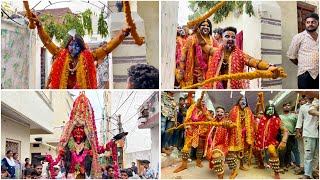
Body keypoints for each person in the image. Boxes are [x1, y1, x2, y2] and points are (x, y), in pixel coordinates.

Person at [28, 11, 133, 89]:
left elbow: (107, 48)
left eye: (77, 45)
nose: (73, 48)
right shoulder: (59, 53)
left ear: (81, 46)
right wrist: (39, 25)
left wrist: (123, 34)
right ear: (67, 45)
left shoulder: (89, 56)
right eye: (71, 45)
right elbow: (47, 42)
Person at [196, 26, 281, 89]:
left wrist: (268, 67)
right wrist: (197, 32)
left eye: (233, 37)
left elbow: (255, 62)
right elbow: (203, 44)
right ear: (222, 38)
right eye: (227, 36)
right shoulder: (216, 51)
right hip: (215, 87)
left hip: (234, 89)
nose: (230, 39)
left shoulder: (241, 55)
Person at [176, 19, 219, 87]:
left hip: (208, 73)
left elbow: (217, 58)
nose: (206, 27)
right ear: (198, 27)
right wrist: (181, 71)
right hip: (192, 72)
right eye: (203, 25)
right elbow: (183, 55)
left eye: (208, 26)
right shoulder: (191, 39)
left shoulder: (214, 42)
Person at [254, 103, 288, 179]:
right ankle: (261, 165)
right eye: (269, 109)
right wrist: (258, 105)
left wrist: (284, 141)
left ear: (274, 110)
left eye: (272, 109)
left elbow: (285, 130)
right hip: (260, 140)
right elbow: (256, 114)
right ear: (266, 111)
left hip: (270, 141)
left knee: (272, 151)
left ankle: (276, 172)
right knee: (256, 151)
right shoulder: (262, 117)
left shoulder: (277, 120)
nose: (270, 111)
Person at [287, 12, 319, 89]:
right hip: (305, 75)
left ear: (318, 23)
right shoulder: (298, 37)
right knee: (306, 93)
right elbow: (291, 55)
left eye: (313, 22)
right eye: (308, 22)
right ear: (305, 24)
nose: (310, 24)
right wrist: (302, 65)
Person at [205, 106, 232, 179]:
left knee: (217, 157)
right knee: (209, 156)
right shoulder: (212, 121)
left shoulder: (226, 122)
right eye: (218, 111)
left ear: (224, 114)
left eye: (221, 112)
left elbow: (231, 128)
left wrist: (229, 124)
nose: (219, 113)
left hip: (222, 144)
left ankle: (221, 176)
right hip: (212, 143)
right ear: (215, 113)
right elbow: (209, 133)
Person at [296, 96, 319, 179]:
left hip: (318, 133)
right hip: (309, 132)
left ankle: (315, 172)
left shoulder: (318, 102)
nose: (308, 96)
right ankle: (307, 174)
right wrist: (298, 131)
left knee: (317, 155)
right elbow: (299, 120)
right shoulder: (303, 107)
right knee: (308, 155)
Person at [279, 102, 298, 172]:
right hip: (282, 135)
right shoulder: (280, 116)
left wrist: (297, 133)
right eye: (285, 106)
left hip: (292, 135)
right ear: (282, 108)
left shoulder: (294, 116)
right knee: (282, 150)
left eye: (288, 105)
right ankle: (282, 165)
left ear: (290, 107)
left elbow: (297, 125)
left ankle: (286, 164)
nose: (287, 107)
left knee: (288, 151)